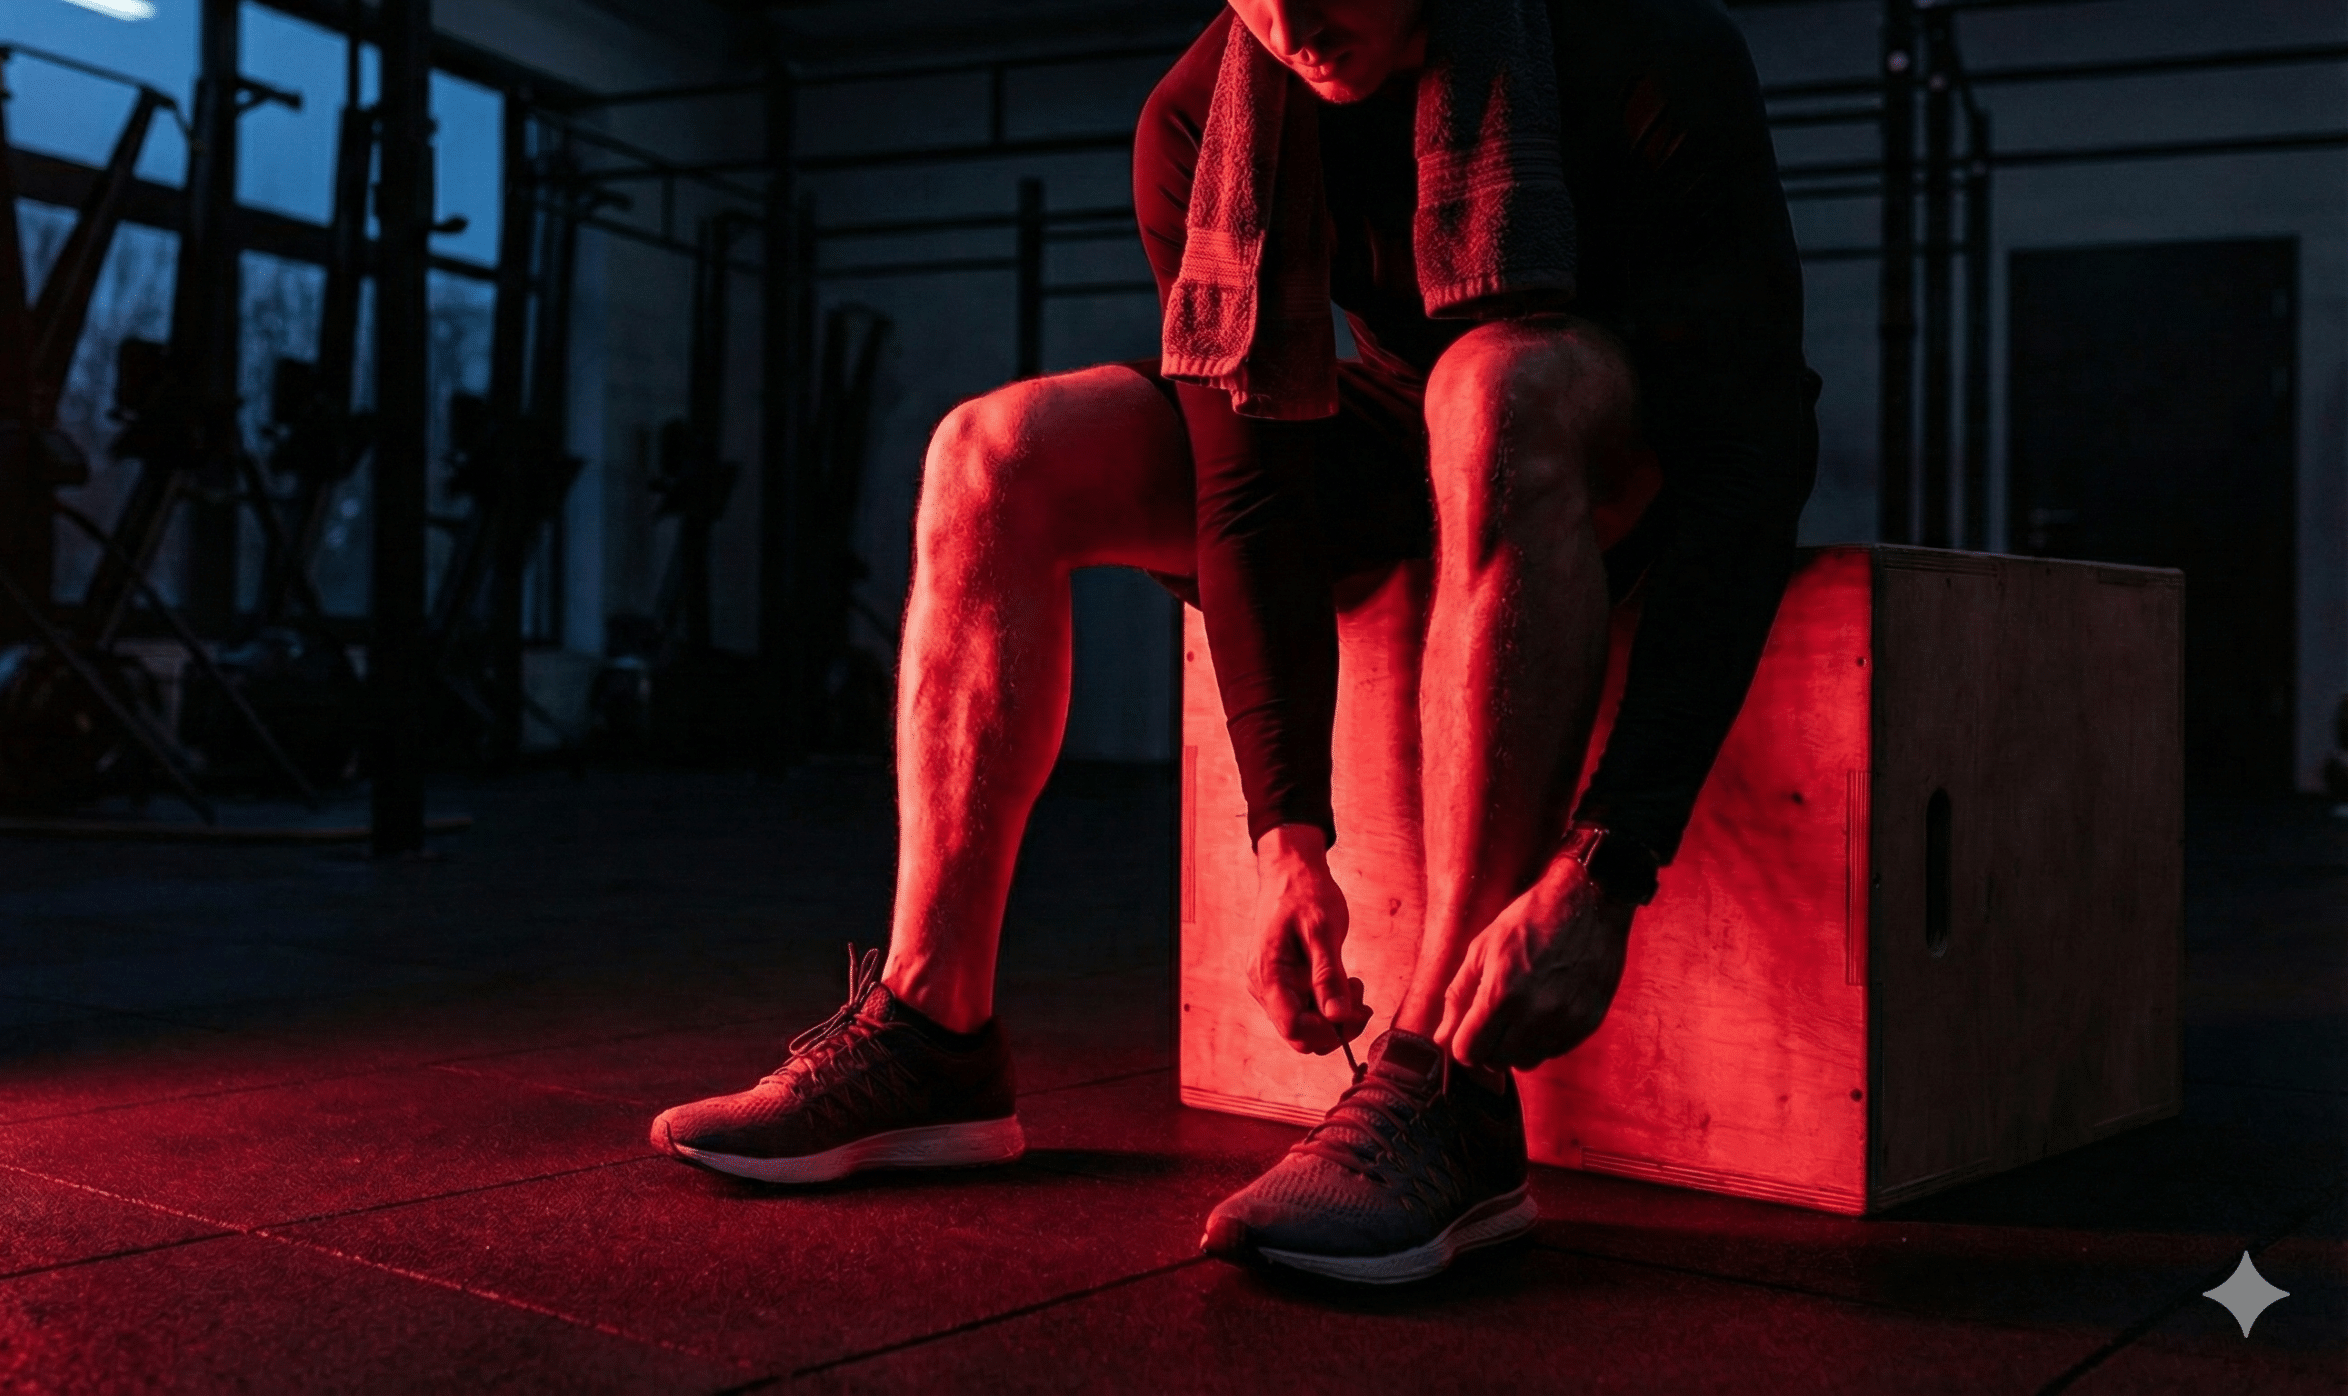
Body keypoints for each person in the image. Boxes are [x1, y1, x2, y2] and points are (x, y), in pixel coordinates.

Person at [652, 0, 1817, 1285]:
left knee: (1486, 387)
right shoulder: (1207, 112)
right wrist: (1289, 841)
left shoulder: (1637, 42)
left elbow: (1754, 454)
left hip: (1608, 426)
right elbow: (1249, 490)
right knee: (992, 457)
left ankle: (1447, 1084)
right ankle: (935, 1031)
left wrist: (1609, 860)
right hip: (1401, 420)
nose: (1296, 22)